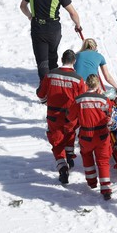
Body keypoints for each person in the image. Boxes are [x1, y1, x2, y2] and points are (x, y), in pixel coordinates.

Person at [20, 0, 82, 81]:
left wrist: (30, 16)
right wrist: (78, 25)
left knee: (42, 61)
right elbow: (73, 13)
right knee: (52, 56)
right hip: (54, 30)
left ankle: (45, 90)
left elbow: (23, 6)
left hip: (38, 28)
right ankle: (54, 84)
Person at [36, 49, 86, 184]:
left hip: (54, 115)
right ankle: (69, 156)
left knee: (57, 142)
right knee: (70, 134)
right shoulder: (78, 79)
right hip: (71, 116)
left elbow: (41, 94)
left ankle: (62, 167)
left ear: (62, 60)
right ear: (74, 62)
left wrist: (45, 101)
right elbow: (83, 100)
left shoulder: (50, 75)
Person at [68, 75, 114, 200]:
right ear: (98, 84)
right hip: (102, 135)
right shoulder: (104, 100)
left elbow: (70, 116)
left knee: (87, 156)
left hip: (86, 136)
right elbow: (108, 114)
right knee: (103, 161)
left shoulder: (79, 100)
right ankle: (106, 188)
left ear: (86, 85)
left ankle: (92, 182)